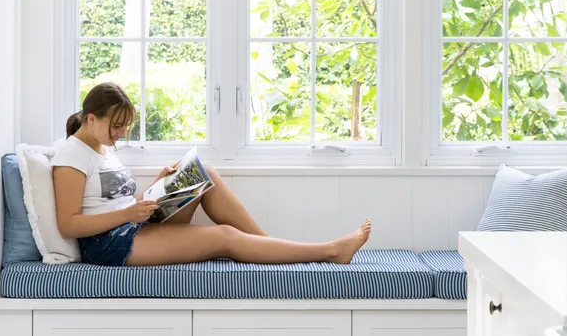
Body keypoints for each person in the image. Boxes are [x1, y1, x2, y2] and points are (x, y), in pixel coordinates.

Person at [51, 81, 371, 268]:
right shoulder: (71, 155)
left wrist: (153, 190)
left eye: (125, 126)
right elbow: (70, 224)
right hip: (108, 246)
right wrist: (130, 213)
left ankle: (268, 246)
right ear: (91, 119)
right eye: (116, 125)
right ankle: (331, 251)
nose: (121, 133)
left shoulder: (101, 148)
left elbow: (109, 203)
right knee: (225, 237)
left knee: (205, 177)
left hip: (128, 227)